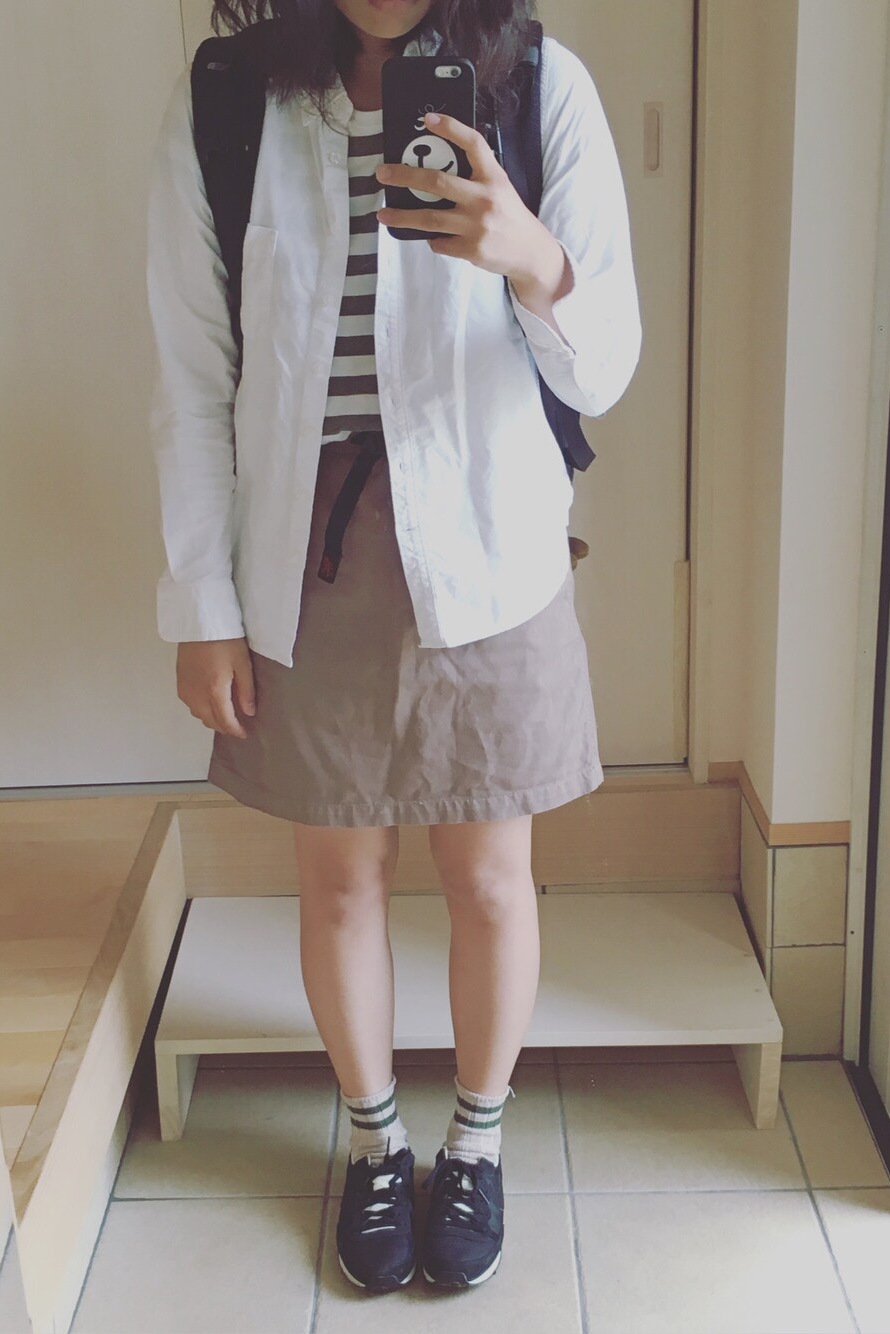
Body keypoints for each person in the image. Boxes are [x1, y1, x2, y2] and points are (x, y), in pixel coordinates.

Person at [145, 0, 641, 1296]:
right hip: (304, 557)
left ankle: (475, 1142)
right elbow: (194, 375)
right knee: (338, 880)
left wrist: (530, 257)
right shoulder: (231, 102)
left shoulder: (538, 87)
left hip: (487, 538)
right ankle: (374, 1142)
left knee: (491, 879)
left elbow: (604, 370)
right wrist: (203, 603)